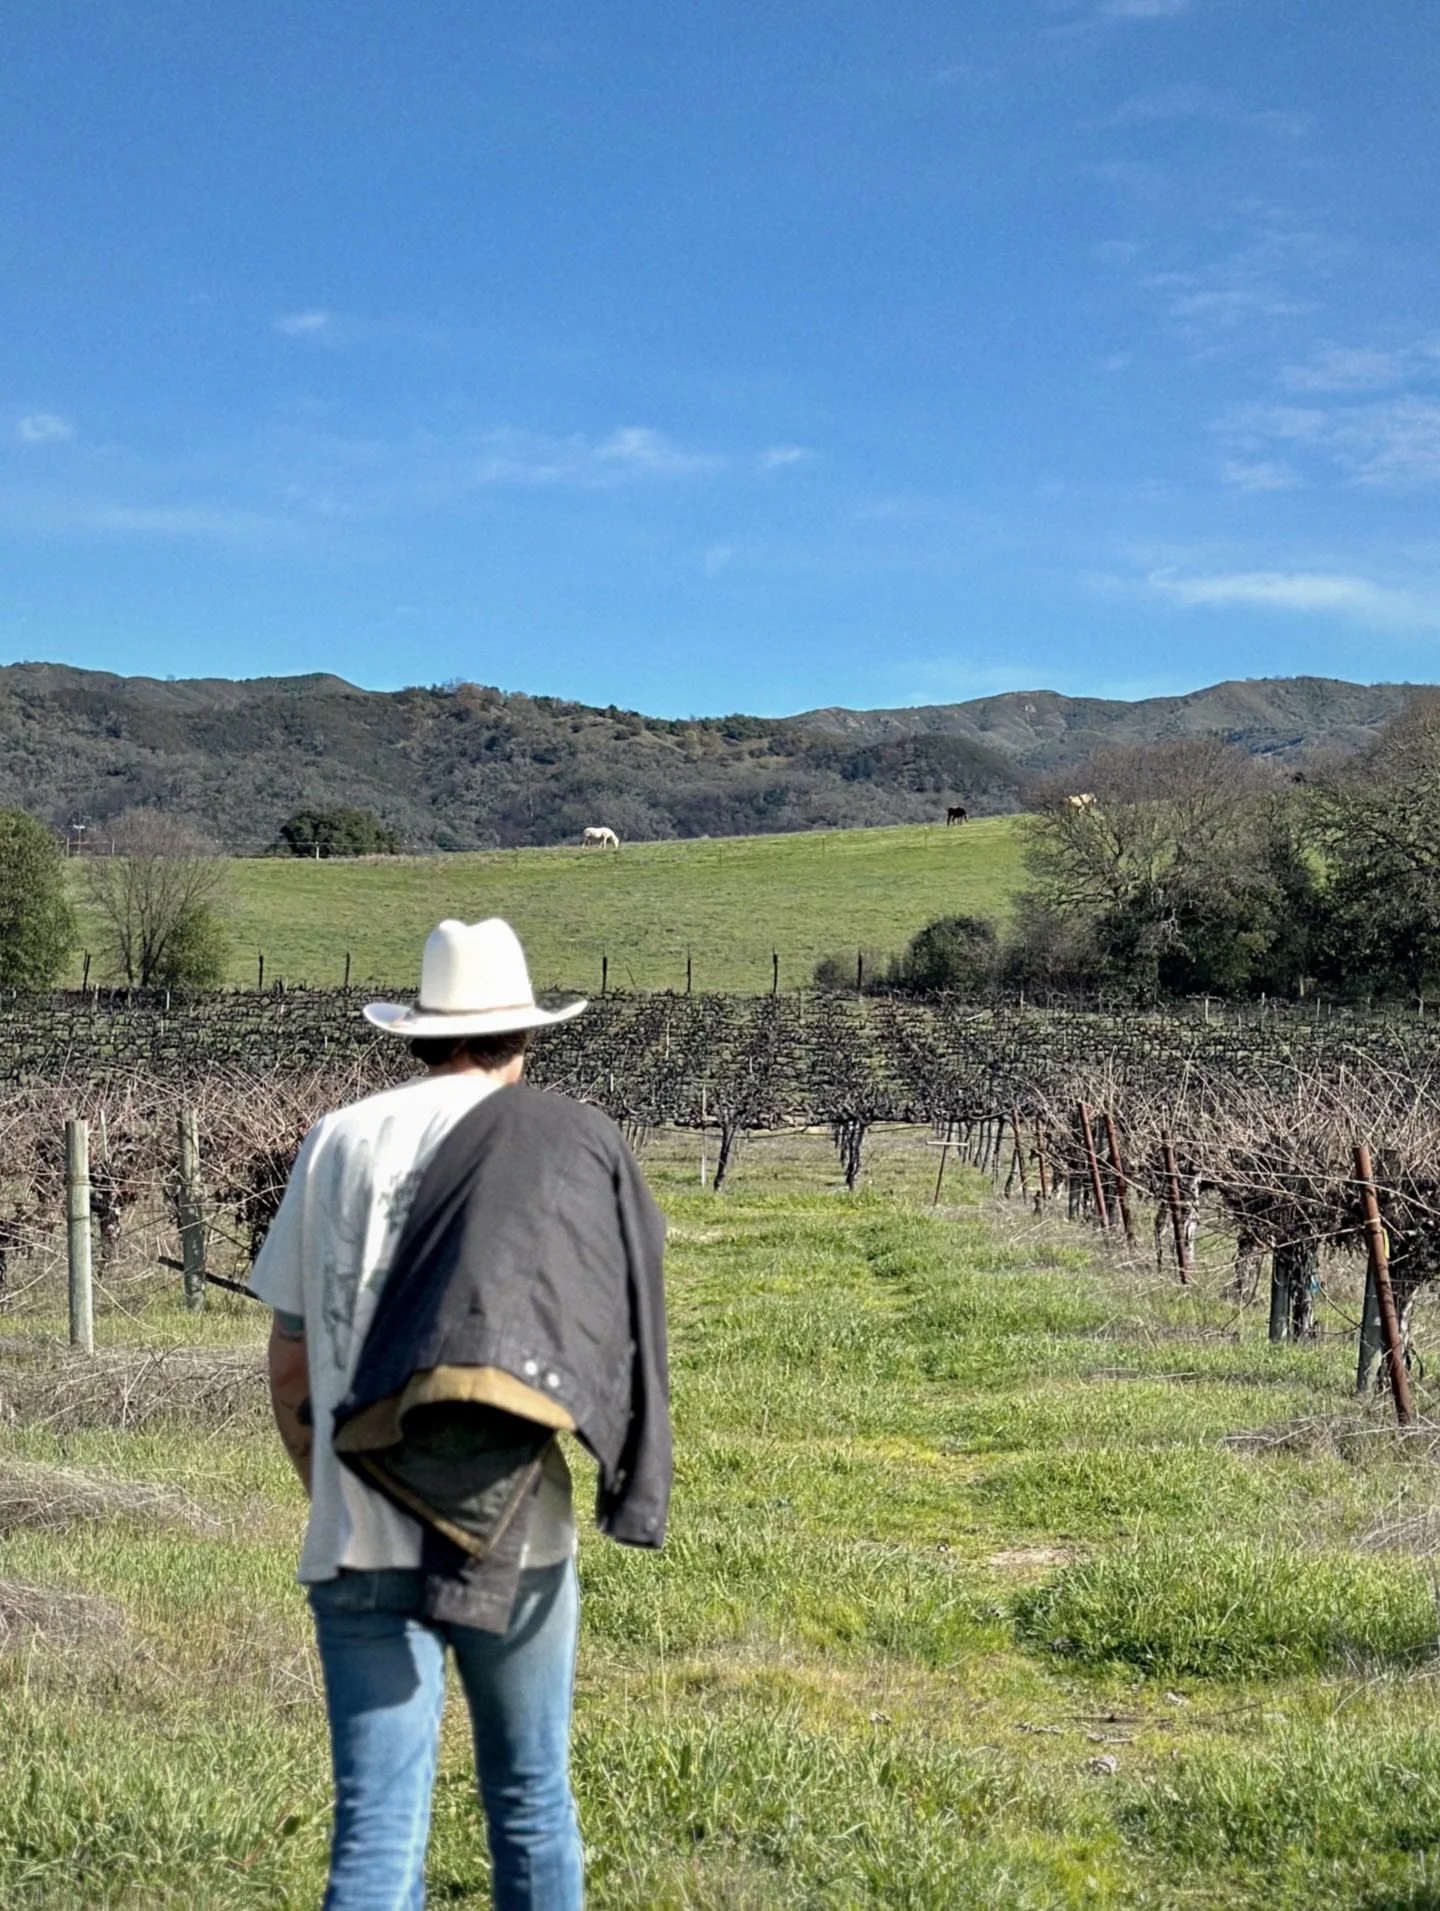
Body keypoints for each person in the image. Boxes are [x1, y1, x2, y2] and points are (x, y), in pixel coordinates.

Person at [249, 917, 670, 1911]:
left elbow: (288, 1363)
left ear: (417, 1034)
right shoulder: (562, 1146)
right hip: (516, 1526)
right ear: (524, 1041)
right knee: (529, 1806)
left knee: (376, 1837)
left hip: (356, 1538)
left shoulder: (338, 1140)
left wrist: (337, 1493)